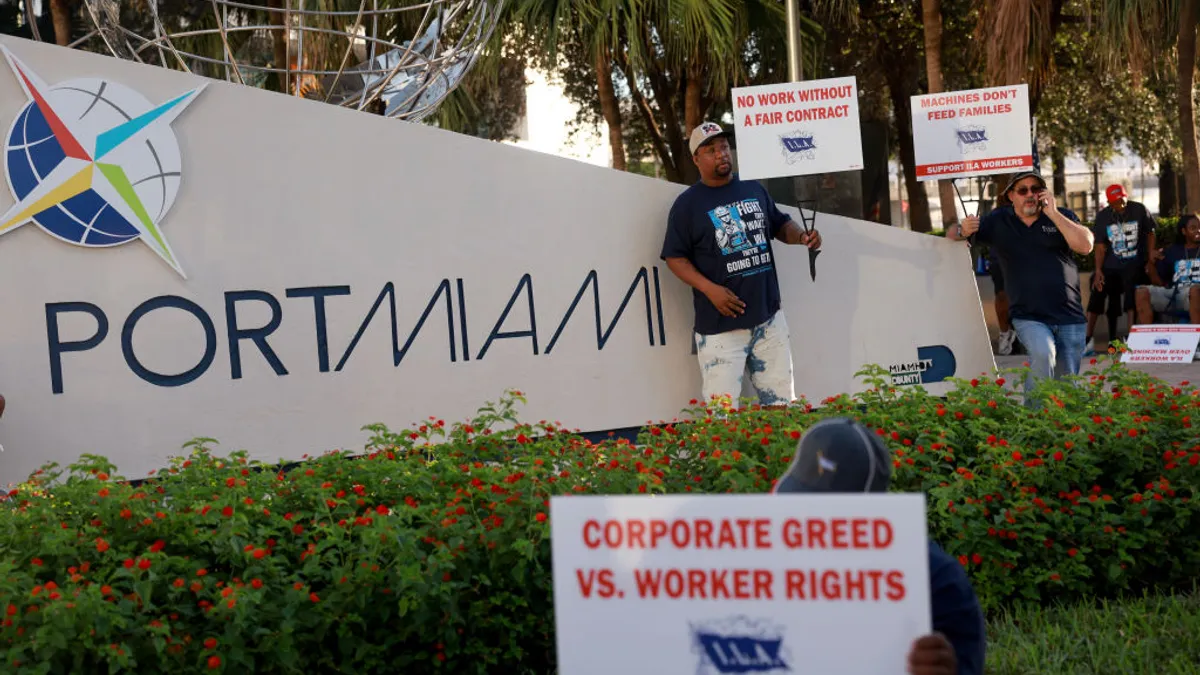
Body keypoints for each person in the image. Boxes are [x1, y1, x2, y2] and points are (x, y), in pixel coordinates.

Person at [773, 417, 986, 675]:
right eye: (800, 504)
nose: (810, 523)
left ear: (873, 512)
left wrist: (946, 669)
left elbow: (967, 662)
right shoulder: (767, 562)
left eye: (828, 512)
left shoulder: (935, 581)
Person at [661, 121, 822, 408]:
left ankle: (779, 454)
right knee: (723, 415)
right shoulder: (687, 205)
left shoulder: (753, 189)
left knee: (781, 405)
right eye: (710, 150)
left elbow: (779, 224)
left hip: (769, 317)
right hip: (721, 329)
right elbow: (675, 257)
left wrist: (801, 237)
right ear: (696, 159)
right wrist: (711, 290)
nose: (721, 154)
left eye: (723, 147)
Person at [949, 171, 1093, 398]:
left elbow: (1085, 245)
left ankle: (1065, 428)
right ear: (1011, 196)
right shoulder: (999, 220)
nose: (1030, 195)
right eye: (1023, 190)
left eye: (1036, 189)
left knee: (1068, 386)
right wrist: (962, 230)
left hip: (1070, 316)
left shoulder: (1061, 216)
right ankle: (1035, 423)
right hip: (1028, 315)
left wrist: (1053, 214)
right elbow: (953, 236)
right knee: (1043, 354)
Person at [1086, 184, 1156, 352]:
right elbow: (1100, 247)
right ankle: (1086, 339)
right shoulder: (1103, 217)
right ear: (1109, 202)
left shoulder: (1139, 210)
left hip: (1135, 264)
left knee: (1131, 281)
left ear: (1126, 196)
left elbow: (1151, 233)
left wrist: (1150, 255)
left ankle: (1132, 337)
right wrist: (1098, 270)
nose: (1120, 205)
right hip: (1111, 267)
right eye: (1115, 202)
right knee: (1098, 286)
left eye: (1122, 200)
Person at [1135, 213, 1200, 327]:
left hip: (1195, 295)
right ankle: (1148, 339)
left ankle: (1197, 336)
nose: (1198, 231)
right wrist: (1151, 264)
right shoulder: (1172, 251)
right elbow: (1159, 283)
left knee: (1195, 290)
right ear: (1184, 231)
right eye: (1193, 228)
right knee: (1141, 292)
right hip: (1174, 293)